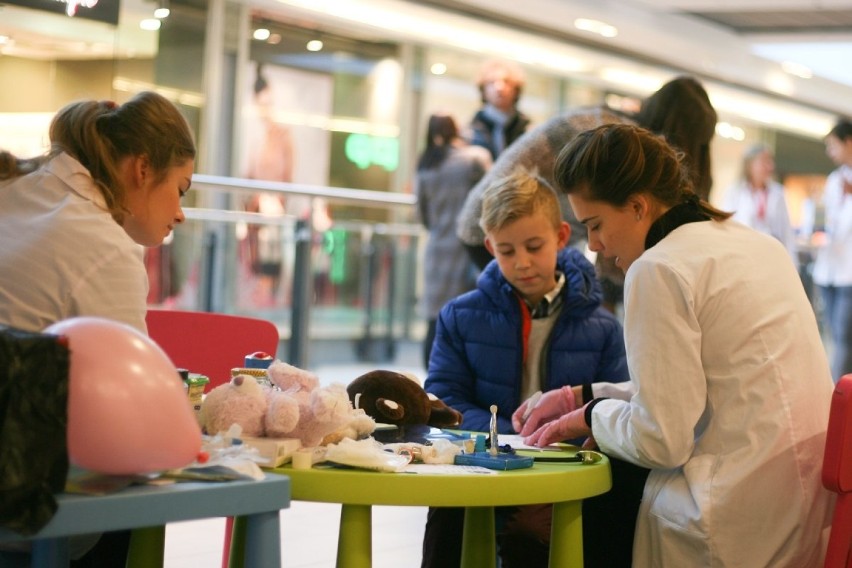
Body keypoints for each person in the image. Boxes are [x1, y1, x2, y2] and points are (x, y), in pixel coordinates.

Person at [516, 123, 835, 567]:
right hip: (806, 515)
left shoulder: (658, 268)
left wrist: (588, 418)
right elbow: (709, 382)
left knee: (564, 507)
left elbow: (660, 440)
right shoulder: (756, 244)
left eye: (595, 224)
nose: (596, 247)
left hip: (730, 526)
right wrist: (582, 396)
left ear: (638, 206)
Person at [0, 91, 195, 566]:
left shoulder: (18, 186)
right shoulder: (104, 246)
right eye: (182, 190)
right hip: (23, 509)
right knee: (125, 492)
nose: (180, 213)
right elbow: (139, 420)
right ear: (143, 169)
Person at [421, 166, 630, 568]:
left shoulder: (603, 328)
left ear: (562, 237)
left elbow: (616, 407)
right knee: (446, 513)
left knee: (539, 531)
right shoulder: (459, 316)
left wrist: (552, 441)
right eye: (506, 251)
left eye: (534, 246)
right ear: (489, 246)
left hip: (560, 475)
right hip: (478, 463)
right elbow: (445, 399)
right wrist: (514, 434)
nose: (522, 263)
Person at [456, 76, 717, 315]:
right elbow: (615, 244)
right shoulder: (619, 143)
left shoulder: (616, 131)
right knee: (534, 329)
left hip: (496, 226)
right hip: (490, 228)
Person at [415, 113, 492, 367]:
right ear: (457, 128)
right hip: (469, 250)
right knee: (464, 319)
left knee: (434, 320)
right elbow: (491, 201)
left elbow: (422, 215)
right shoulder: (475, 159)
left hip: (436, 250)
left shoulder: (426, 165)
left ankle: (431, 385)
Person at [813, 118, 852, 382]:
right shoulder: (834, 178)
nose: (830, 152)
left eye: (833, 145)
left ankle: (835, 397)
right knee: (831, 334)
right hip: (827, 268)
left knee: (843, 335)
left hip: (849, 272)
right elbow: (826, 220)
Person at [723, 142, 798, 266]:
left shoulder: (778, 193)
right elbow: (726, 227)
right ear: (749, 164)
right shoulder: (734, 193)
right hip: (742, 257)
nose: (770, 166)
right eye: (764, 162)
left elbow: (786, 232)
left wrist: (793, 266)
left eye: (771, 162)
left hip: (771, 258)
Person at [467, 58, 530, 161]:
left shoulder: (527, 130)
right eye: (492, 82)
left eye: (507, 82)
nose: (499, 87)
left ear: (516, 89)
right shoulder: (470, 132)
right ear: (483, 89)